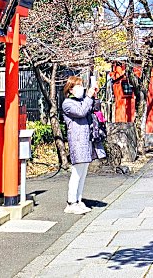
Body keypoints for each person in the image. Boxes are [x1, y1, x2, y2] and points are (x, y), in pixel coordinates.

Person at [62, 73, 98, 213]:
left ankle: (78, 199)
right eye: (78, 86)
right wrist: (88, 97)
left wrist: (93, 95)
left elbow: (92, 109)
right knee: (77, 172)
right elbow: (82, 112)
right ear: (70, 89)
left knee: (83, 172)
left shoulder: (80, 100)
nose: (81, 88)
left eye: (82, 86)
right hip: (77, 141)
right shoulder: (68, 104)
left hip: (85, 140)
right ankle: (71, 203)